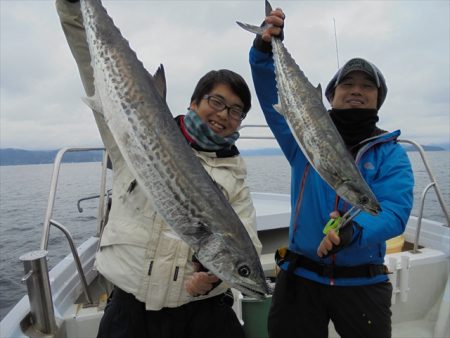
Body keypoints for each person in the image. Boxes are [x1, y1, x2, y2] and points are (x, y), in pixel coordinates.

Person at [56, 1, 262, 337]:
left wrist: (214, 280)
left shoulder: (235, 176)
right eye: (217, 102)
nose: (225, 115)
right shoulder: (127, 135)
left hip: (200, 314)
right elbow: (89, 58)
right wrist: (71, 10)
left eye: (237, 111)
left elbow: (245, 243)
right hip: (128, 312)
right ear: (194, 103)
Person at [248, 7, 414, 338]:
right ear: (331, 95)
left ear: (378, 100)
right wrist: (265, 51)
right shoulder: (301, 138)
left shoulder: (391, 154)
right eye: (347, 83)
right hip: (300, 279)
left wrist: (354, 231)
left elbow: (394, 211)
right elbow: (272, 97)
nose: (356, 90)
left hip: (363, 282)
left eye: (368, 86)